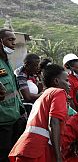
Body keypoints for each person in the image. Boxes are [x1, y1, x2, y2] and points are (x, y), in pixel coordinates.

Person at [9, 63, 70, 162]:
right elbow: (53, 123)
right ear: (56, 81)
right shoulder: (58, 92)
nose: (69, 84)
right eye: (67, 81)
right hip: (38, 151)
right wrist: (58, 157)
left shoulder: (43, 95)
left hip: (26, 148)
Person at [0, 28, 26, 162]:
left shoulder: (6, 62)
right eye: (10, 40)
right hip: (3, 121)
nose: (13, 43)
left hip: (14, 117)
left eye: (14, 40)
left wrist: (21, 110)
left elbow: (14, 91)